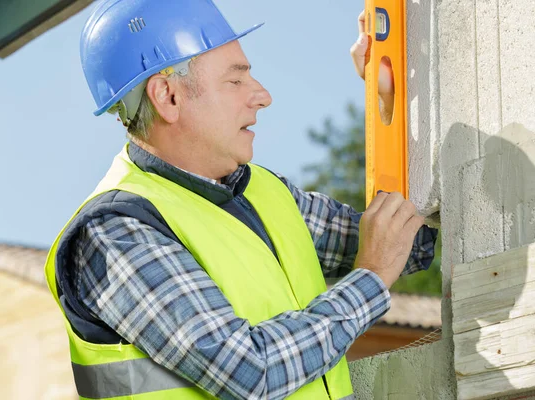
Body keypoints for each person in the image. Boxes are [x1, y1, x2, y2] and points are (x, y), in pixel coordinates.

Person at [44, 1, 437, 399]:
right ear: (168, 97)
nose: (262, 96)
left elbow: (408, 241)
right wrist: (369, 281)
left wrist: (388, 97)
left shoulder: (263, 194)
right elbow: (250, 372)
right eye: (235, 81)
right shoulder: (115, 234)